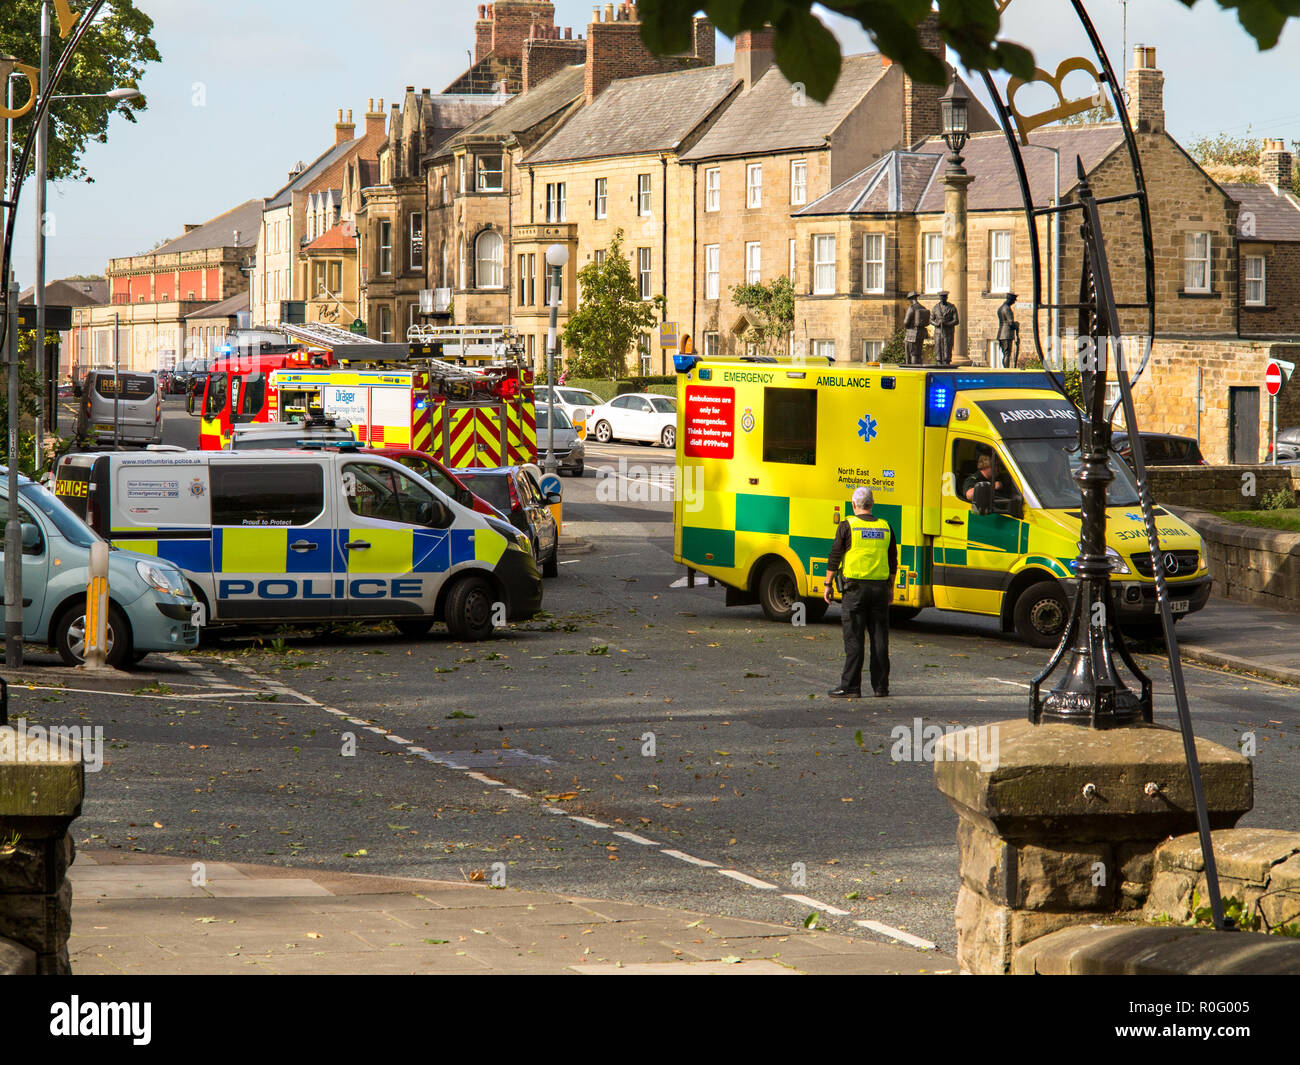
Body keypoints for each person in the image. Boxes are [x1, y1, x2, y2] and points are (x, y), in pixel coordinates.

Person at [824, 486, 897, 699]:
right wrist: (890, 588)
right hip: (880, 590)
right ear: (872, 504)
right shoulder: (886, 527)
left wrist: (828, 584)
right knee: (880, 639)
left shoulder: (847, 525)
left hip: (855, 591)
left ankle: (851, 686)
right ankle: (881, 687)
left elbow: (835, 555)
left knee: (854, 638)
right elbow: (892, 561)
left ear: (854, 504)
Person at [931, 292, 958, 365]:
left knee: (947, 347)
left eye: (944, 297)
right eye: (941, 297)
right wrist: (937, 324)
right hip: (938, 332)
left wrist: (947, 323)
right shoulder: (935, 307)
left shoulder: (952, 307)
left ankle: (947, 361)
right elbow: (931, 320)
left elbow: (956, 320)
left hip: (948, 332)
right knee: (938, 347)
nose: (942, 299)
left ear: (946, 298)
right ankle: (938, 361)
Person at [903, 292, 929, 366]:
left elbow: (906, 322)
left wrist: (907, 327)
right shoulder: (923, 307)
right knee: (919, 352)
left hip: (912, 333)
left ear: (911, 299)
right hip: (921, 333)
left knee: (913, 352)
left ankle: (913, 368)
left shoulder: (912, 308)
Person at [996, 292, 1020, 368]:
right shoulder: (1007, 309)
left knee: (1005, 353)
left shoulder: (1001, 308)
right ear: (1010, 300)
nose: (1014, 302)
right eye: (1013, 300)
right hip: (1006, 334)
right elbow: (1010, 323)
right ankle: (1006, 369)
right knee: (1007, 354)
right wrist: (1016, 324)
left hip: (1001, 333)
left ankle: (1005, 368)